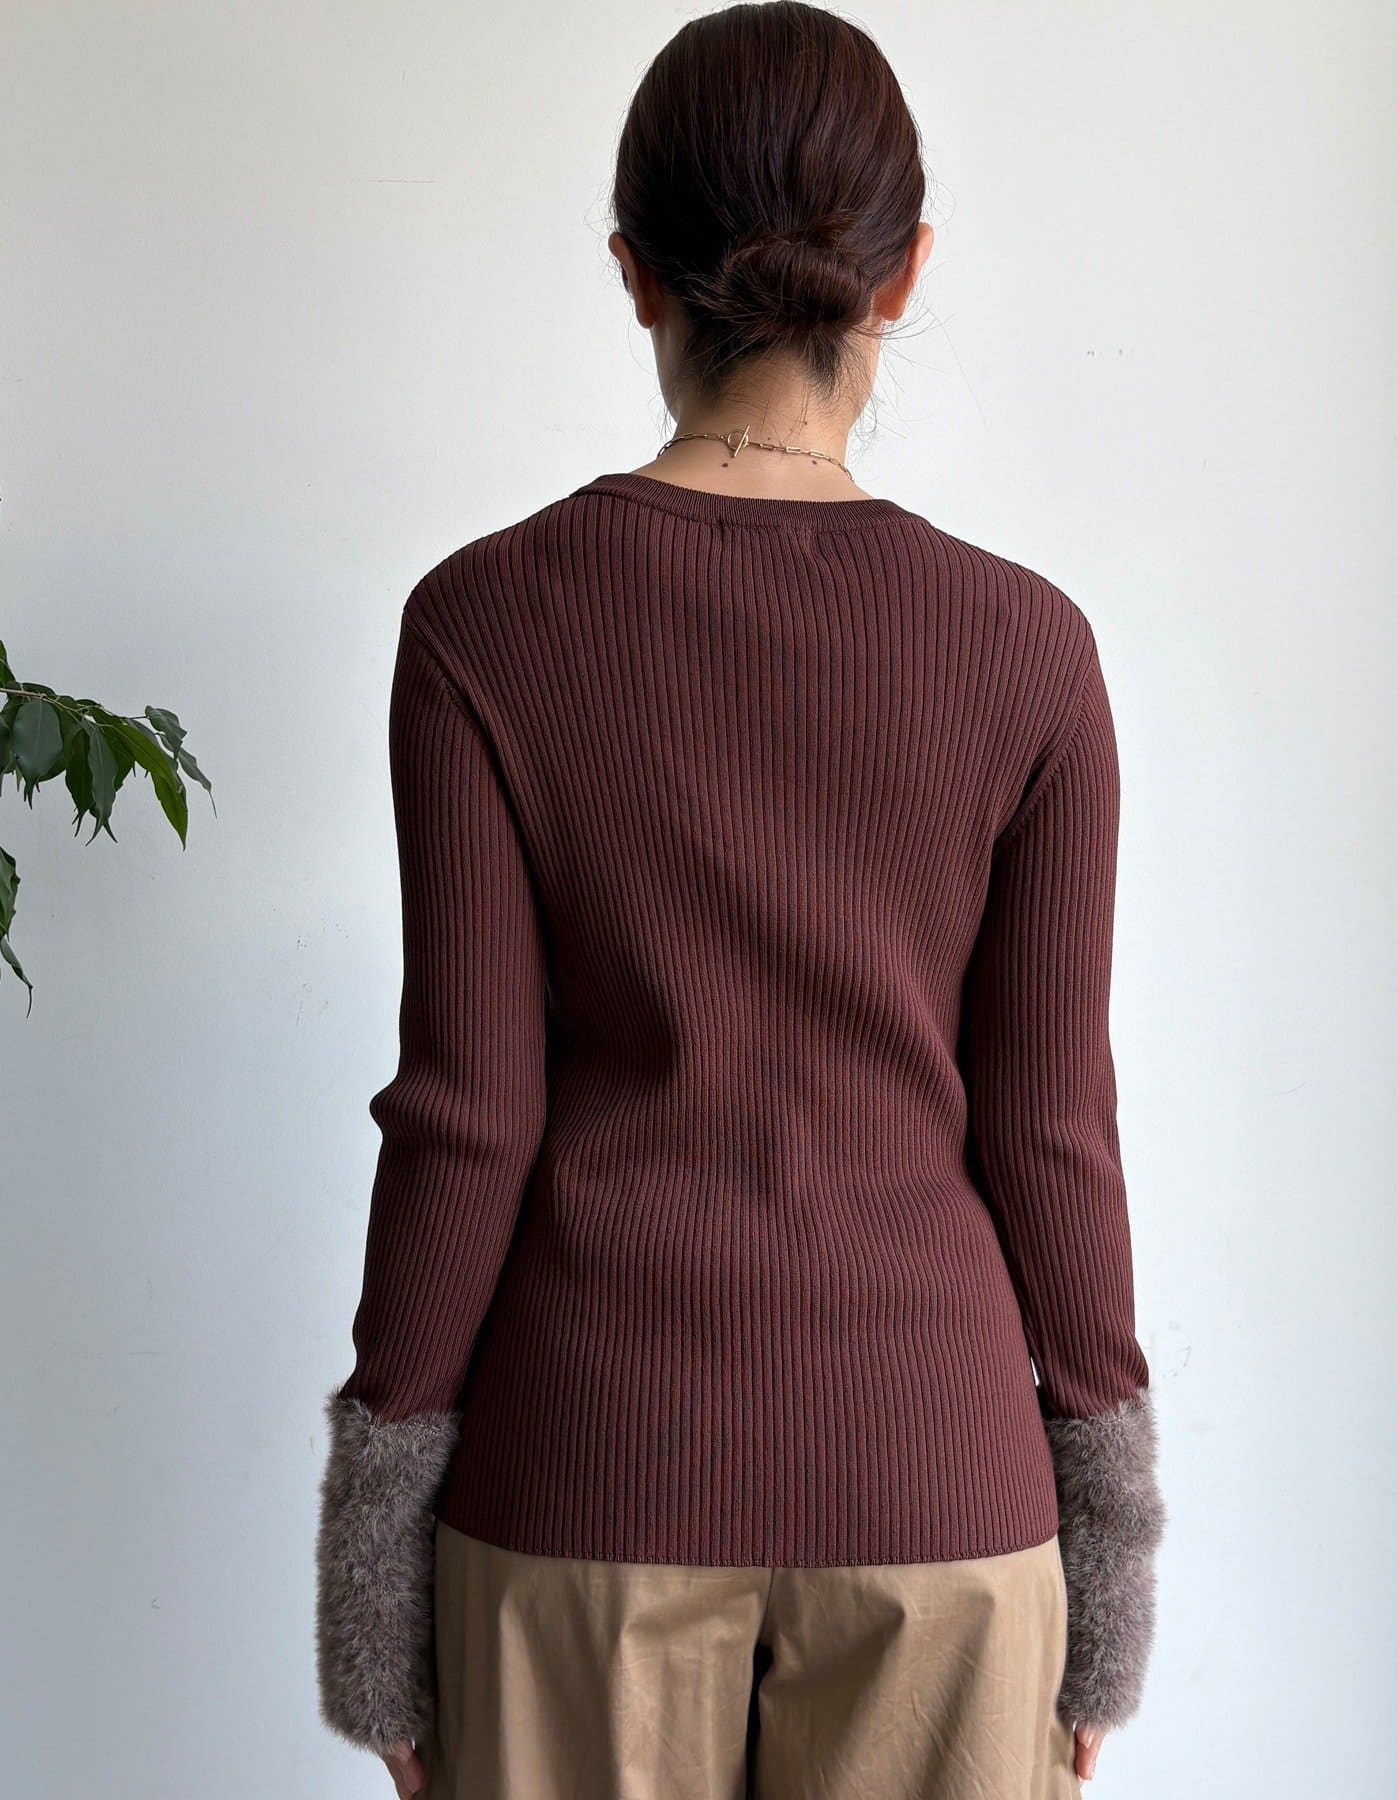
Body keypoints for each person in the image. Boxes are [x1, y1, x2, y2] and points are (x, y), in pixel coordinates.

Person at [313, 4, 1166, 1795]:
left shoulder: (482, 624)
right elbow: (1051, 1129)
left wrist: (374, 1568)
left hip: (580, 1484)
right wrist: (1107, 1563)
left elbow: (467, 1118)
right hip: (940, 1496)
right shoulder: (1030, 650)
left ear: (633, 270)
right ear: (903, 274)